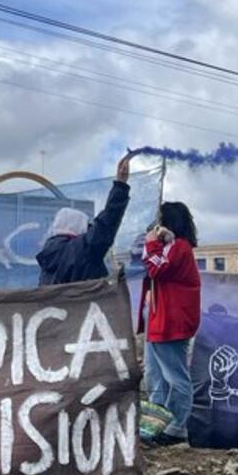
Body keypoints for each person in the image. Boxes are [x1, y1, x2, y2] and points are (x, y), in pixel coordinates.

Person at [139, 200, 202, 444]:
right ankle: (153, 426)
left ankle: (176, 429)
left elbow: (156, 269)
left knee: (175, 377)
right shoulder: (171, 247)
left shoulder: (180, 248)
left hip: (171, 323)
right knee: (154, 377)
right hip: (160, 320)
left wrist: (152, 243)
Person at [37, 154, 133, 285]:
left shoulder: (47, 257)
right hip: (87, 304)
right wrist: (120, 185)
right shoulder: (84, 247)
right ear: (78, 226)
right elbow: (107, 221)